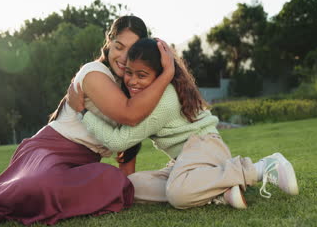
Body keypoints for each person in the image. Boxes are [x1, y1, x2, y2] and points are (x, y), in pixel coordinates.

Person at [0, 16, 176, 226]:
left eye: (131, 50)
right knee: (37, 185)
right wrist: (168, 73)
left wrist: (127, 184)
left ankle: (37, 197)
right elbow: (129, 115)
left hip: (82, 164)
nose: (123, 57)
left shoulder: (134, 86)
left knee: (116, 181)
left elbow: (128, 140)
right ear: (108, 43)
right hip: (49, 149)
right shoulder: (93, 73)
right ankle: (7, 197)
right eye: (118, 46)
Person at [71, 38, 299, 210]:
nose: (132, 81)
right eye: (129, 73)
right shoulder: (149, 95)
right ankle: (219, 192)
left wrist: (82, 111)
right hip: (185, 160)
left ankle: (262, 167)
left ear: (160, 75)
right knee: (132, 185)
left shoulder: (163, 99)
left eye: (142, 75)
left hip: (205, 149)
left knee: (178, 196)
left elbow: (118, 140)